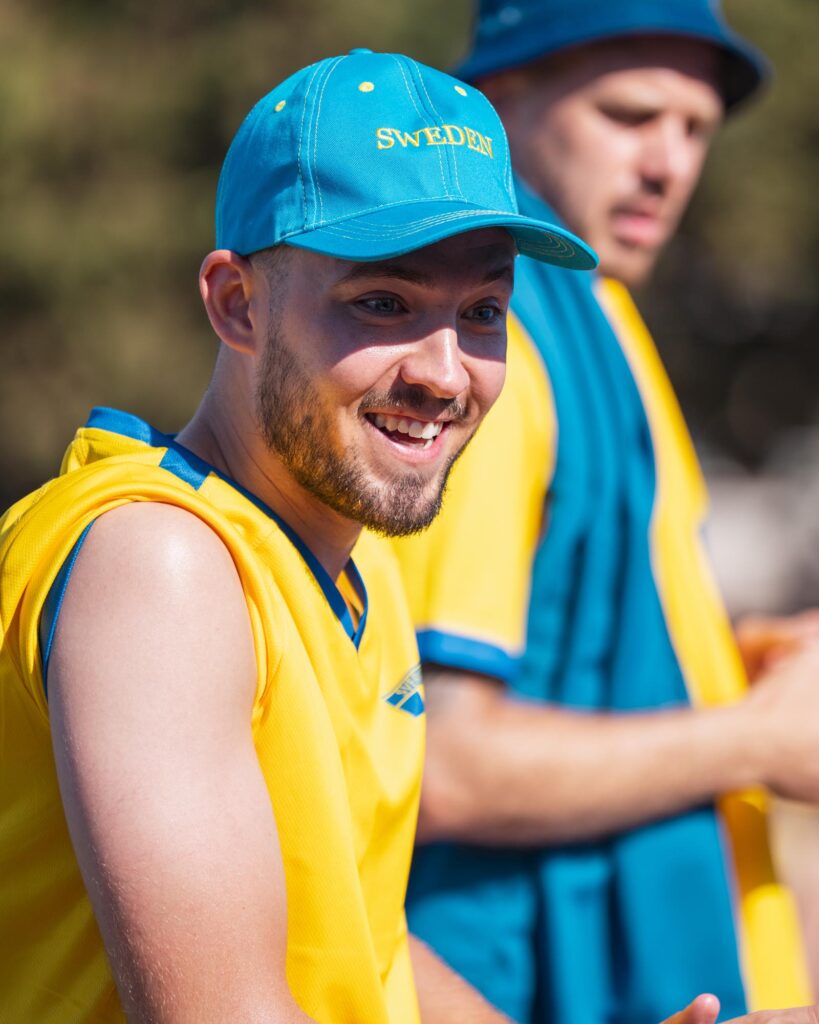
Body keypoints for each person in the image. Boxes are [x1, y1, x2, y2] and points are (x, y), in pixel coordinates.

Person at [0, 47, 605, 1024]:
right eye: (383, 303)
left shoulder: (352, 565)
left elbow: (361, 944)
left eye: (483, 312)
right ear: (236, 303)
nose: (445, 373)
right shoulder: (160, 563)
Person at [393, 4, 819, 1023]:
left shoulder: (601, 319)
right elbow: (437, 759)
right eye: (629, 115)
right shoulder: (494, 357)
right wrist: (758, 736)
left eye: (696, 128)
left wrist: (733, 665)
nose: (669, 164)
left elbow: (569, 654)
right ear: (496, 105)